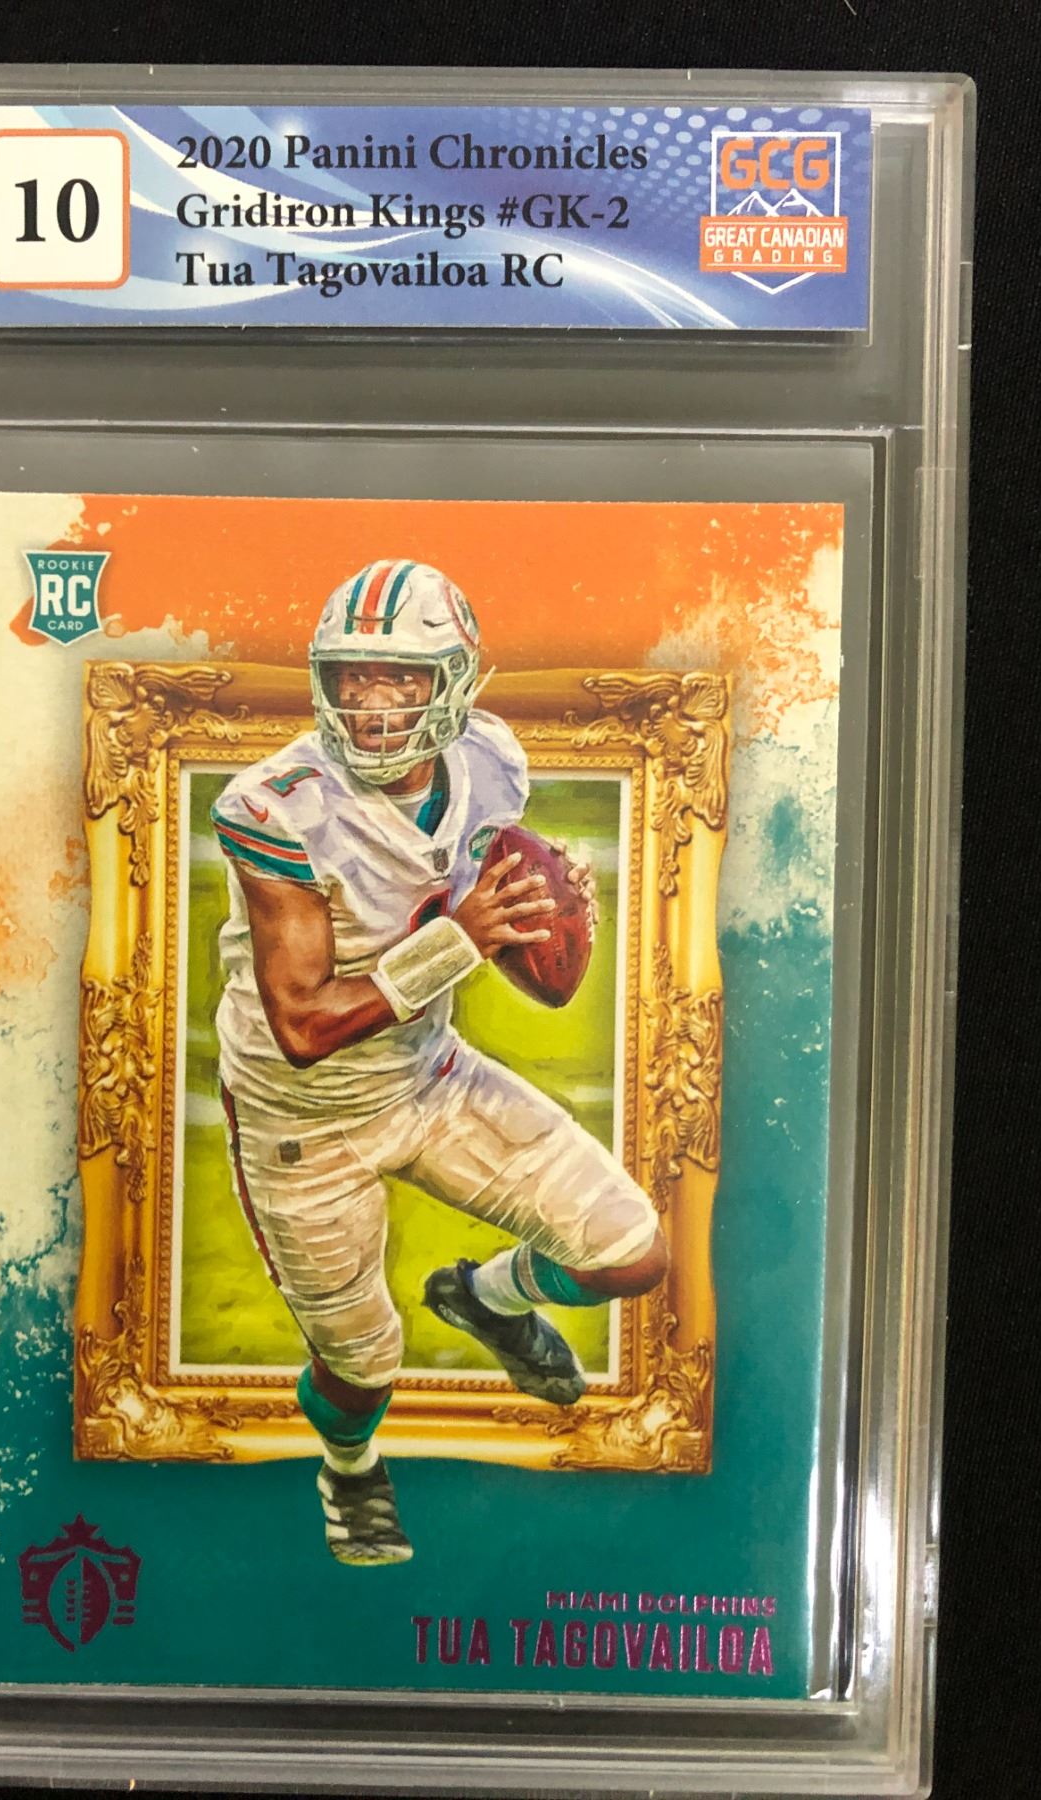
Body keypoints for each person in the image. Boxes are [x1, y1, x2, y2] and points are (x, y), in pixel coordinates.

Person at [211, 559, 667, 1564]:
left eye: (401, 677)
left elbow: (500, 923)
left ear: (453, 681)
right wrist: (461, 939)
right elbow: (302, 1025)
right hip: (303, 1123)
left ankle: (485, 1298)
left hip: (429, 1076)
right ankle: (349, 1471)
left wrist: (542, 905)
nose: (373, 706)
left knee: (629, 1252)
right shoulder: (276, 806)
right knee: (363, 1367)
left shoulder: (491, 762)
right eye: (352, 676)